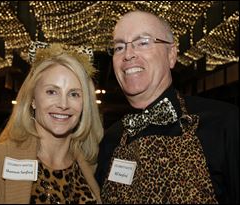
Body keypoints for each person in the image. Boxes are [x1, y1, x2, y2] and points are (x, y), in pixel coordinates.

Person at [95, 10, 239, 204]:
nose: (128, 54)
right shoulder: (111, 139)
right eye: (120, 47)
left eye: (143, 42)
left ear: (171, 54)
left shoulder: (224, 123)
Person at [0, 43, 104, 204]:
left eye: (74, 94)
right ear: (33, 100)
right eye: (52, 92)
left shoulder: (91, 166)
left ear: (84, 104)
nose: (63, 104)